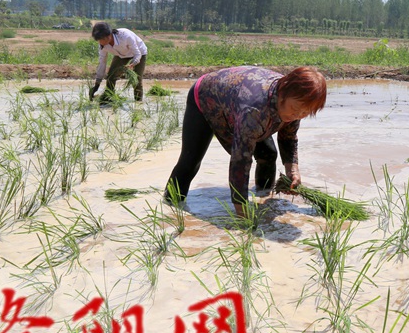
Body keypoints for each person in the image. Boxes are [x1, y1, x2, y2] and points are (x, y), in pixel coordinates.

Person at [164, 66, 327, 217]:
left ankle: (263, 195)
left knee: (268, 154)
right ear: (283, 93)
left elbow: (288, 137)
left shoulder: (295, 103)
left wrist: (292, 171)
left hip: (237, 101)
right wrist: (242, 214)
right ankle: (170, 205)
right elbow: (240, 160)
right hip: (206, 95)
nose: (297, 115)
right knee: (190, 160)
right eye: (296, 109)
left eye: (305, 112)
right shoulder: (254, 110)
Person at [90, 22, 148, 102]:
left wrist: (133, 64)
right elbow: (102, 63)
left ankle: (138, 102)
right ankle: (109, 98)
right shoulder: (102, 46)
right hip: (121, 55)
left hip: (139, 52)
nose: (100, 42)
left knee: (136, 80)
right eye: (98, 40)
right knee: (111, 77)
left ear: (109, 36)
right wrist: (97, 84)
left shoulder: (125, 36)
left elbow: (137, 54)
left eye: (101, 39)